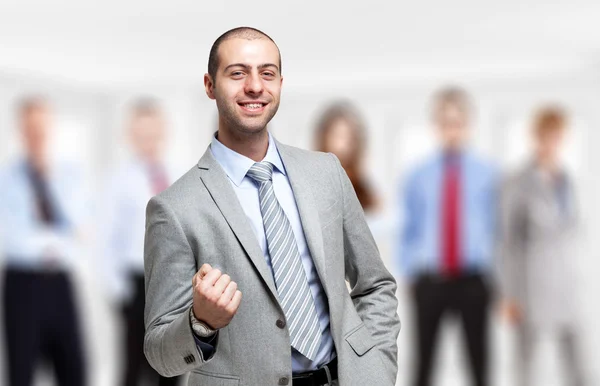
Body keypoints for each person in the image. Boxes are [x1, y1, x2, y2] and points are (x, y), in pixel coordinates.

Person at [143, 27, 400, 386]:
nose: (254, 86)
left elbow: (374, 285)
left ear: (280, 83)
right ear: (209, 85)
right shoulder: (173, 208)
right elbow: (159, 353)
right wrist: (200, 323)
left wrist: (378, 371)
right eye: (237, 73)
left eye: (267, 73)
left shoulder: (325, 172)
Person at [399, 87, 498, 386]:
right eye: (445, 122)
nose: (451, 130)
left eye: (458, 122)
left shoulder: (489, 173)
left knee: (479, 362)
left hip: (473, 278)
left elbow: (498, 227)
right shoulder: (417, 174)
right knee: (424, 364)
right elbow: (409, 228)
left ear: (468, 124)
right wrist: (409, 273)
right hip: (430, 280)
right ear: (436, 125)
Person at [0, 97, 87, 386]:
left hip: (60, 281)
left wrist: (50, 181)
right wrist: (57, 242)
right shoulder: (7, 179)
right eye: (30, 128)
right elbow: (13, 239)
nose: (37, 135)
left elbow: (81, 226)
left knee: (74, 369)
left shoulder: (67, 174)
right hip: (22, 284)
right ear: (21, 131)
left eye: (42, 128)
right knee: (22, 371)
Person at [500, 106, 586, 386]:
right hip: (532, 287)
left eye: (558, 136)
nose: (553, 143)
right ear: (536, 137)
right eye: (547, 136)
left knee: (578, 361)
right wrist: (510, 294)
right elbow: (508, 242)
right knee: (526, 364)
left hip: (567, 283)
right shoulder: (518, 182)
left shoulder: (568, 181)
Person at [99, 99, 181, 386]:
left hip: (173, 284)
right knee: (133, 368)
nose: (148, 141)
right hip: (138, 286)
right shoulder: (119, 180)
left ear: (164, 132)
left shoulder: (178, 174)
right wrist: (120, 295)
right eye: (141, 135)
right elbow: (106, 239)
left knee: (172, 366)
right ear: (130, 135)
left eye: (153, 134)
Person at [313, 101, 379, 213]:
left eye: (348, 136)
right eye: (337, 136)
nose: (343, 145)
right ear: (324, 138)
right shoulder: (312, 187)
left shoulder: (364, 191)